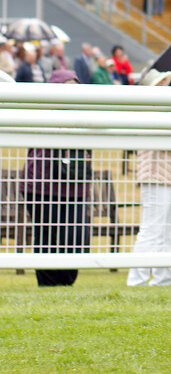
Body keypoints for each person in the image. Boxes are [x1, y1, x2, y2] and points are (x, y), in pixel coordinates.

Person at [21, 70, 92, 286]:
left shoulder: (85, 116)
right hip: (42, 185)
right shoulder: (42, 112)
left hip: (75, 186)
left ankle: (66, 283)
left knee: (75, 235)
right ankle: (48, 284)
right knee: (46, 236)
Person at [127, 68, 171, 287]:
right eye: (160, 84)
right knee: (152, 228)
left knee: (169, 230)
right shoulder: (148, 112)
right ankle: (137, 280)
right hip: (155, 174)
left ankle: (161, 279)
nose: (165, 87)